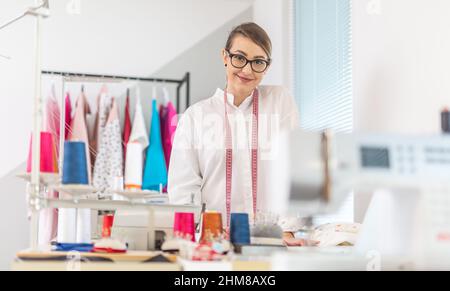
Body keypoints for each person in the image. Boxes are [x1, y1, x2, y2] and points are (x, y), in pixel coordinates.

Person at [169, 22, 307, 246]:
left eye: (258, 62)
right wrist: (194, 235)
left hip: (271, 241)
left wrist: (288, 230)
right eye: (240, 58)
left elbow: (293, 169)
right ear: (225, 56)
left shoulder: (279, 102)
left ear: (267, 66)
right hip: (214, 242)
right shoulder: (195, 117)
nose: (247, 70)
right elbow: (184, 188)